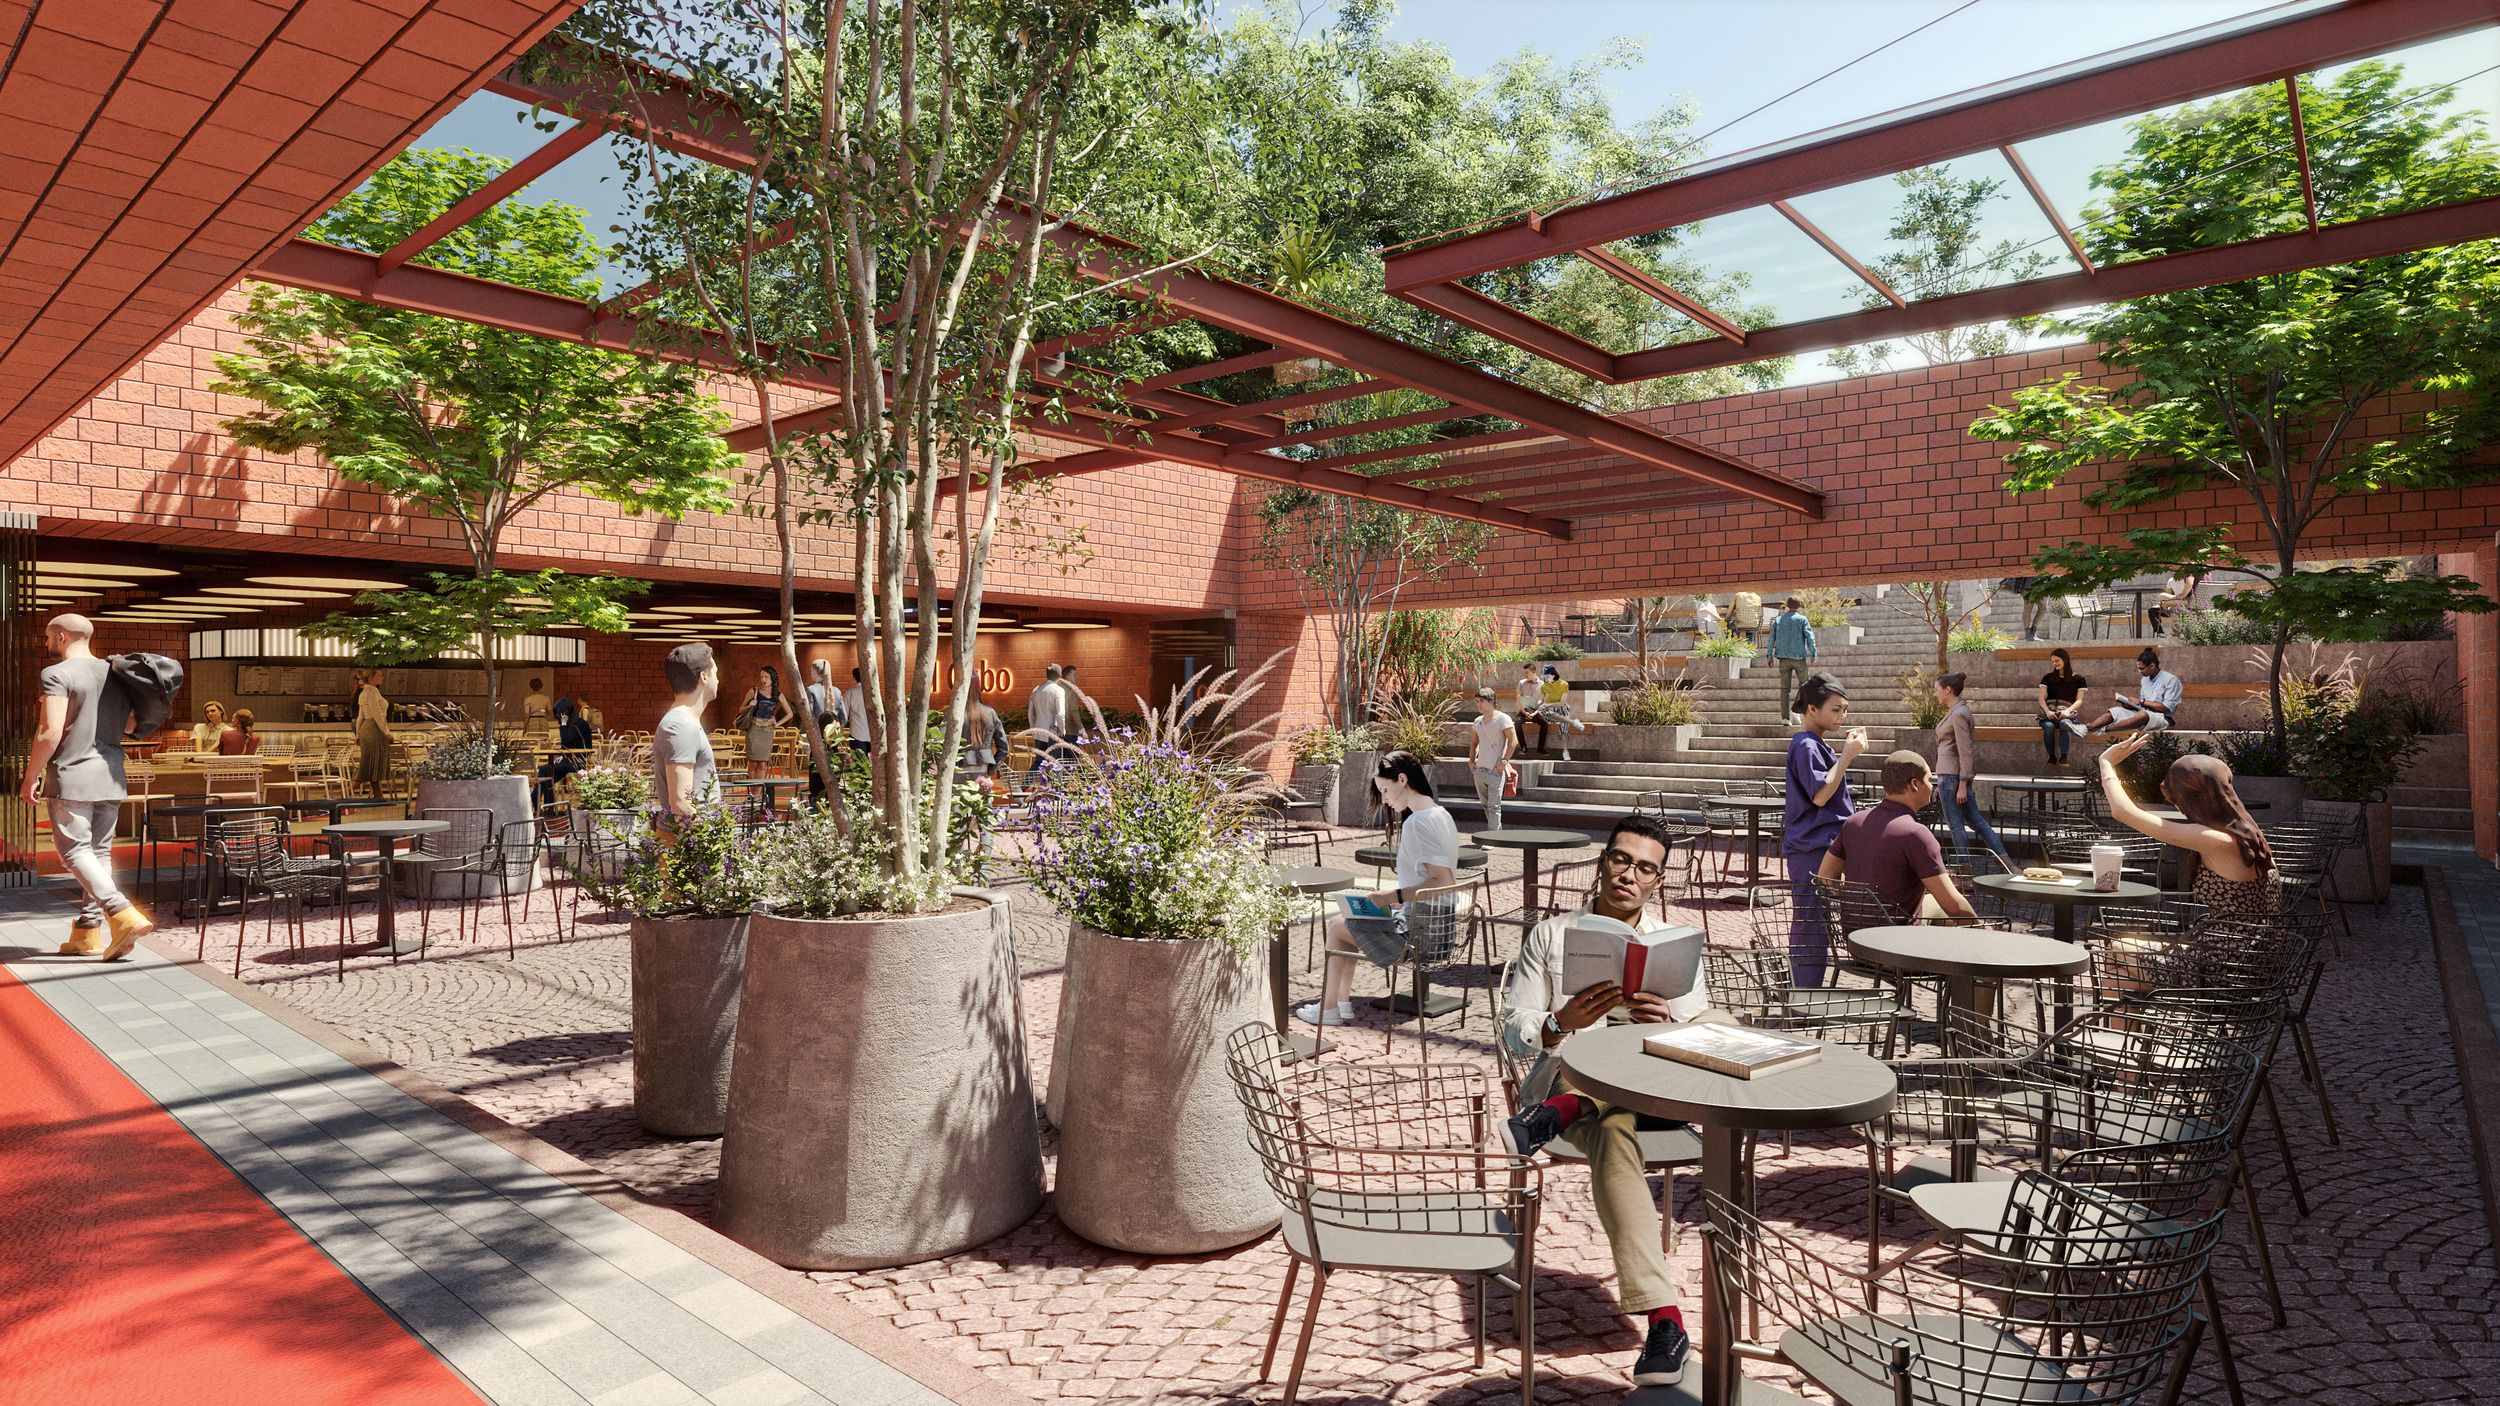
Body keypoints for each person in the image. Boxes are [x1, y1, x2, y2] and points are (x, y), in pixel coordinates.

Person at [1492, 813, 1714, 1387]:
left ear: (1658, 881)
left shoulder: (1674, 941)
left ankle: (1552, 1118)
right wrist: (1557, 1022)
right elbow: (1510, 1025)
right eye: (1621, 859)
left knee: (1615, 1101)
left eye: (1646, 868)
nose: (1629, 875)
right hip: (1579, 1078)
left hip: (1655, 1089)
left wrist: (1668, 1020)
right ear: (1602, 860)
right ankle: (1666, 1319)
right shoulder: (1550, 934)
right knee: (1613, 1128)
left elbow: (1707, 1027)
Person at [1296, 752, 1465, 1025]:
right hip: (1438, 930)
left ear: (1402, 779)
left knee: (1338, 927)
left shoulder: (1417, 822)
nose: (1385, 799)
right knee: (1346, 921)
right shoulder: (1441, 814)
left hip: (1419, 940)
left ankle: (1329, 1009)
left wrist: (1392, 896)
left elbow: (1443, 881)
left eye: (1385, 790)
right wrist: (1403, 900)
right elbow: (1438, 882)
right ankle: (1340, 1003)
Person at [21, 614, 151, 959]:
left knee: (74, 853)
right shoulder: (117, 674)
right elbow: (130, 724)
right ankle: (87, 932)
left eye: (48, 637)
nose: (46, 644)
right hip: (110, 775)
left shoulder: (56, 674)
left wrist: (31, 773)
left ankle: (121, 913)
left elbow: (50, 732)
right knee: (99, 853)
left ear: (61, 636)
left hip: (72, 776)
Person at [2099, 732, 2280, 921]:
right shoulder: (2250, 835)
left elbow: (2123, 812)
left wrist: (2106, 763)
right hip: (2259, 944)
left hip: (2228, 946)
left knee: (2119, 945)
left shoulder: (2215, 839)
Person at [1819, 751, 1976, 922]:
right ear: (1915, 784)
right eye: (1929, 780)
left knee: (1932, 902)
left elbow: (1825, 875)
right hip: (1897, 940)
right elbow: (1954, 907)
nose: (1932, 787)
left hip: (1855, 935)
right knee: (1953, 909)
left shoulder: (1853, 822)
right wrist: (1986, 932)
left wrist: (1862, 901)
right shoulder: (1916, 834)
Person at [1783, 674, 1866, 987]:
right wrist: (1847, 755)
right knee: (1810, 922)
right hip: (1812, 846)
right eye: (1835, 709)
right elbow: (1820, 794)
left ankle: (1806, 994)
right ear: (1811, 709)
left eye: (1844, 709)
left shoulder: (1814, 744)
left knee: (1814, 921)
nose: (1841, 716)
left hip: (1821, 844)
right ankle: (1804, 997)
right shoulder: (1805, 745)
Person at [1931, 672, 2007, 859]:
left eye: (1936, 690)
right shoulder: (1956, 712)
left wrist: (1963, 784)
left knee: (1956, 825)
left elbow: (1965, 750)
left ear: (1947, 690)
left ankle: (1964, 871)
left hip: (1953, 778)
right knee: (1975, 821)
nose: (1935, 694)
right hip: (1949, 777)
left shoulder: (1958, 714)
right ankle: (2008, 864)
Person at [654, 643, 721, 835]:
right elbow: (681, 805)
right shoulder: (681, 726)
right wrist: (710, 845)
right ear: (704, 676)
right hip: (684, 849)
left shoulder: (683, 722)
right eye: (715, 672)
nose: (718, 679)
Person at [2068, 648, 2180, 737]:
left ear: (2152, 666)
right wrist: (2131, 705)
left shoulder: (2171, 680)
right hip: (2143, 712)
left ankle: (2104, 730)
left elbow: (2167, 708)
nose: (2139, 671)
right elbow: (2143, 704)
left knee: (2143, 715)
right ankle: (2086, 728)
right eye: (2138, 668)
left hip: (2161, 717)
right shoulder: (2145, 680)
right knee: (2115, 711)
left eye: (2142, 668)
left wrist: (2141, 701)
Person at [1466, 687, 1517, 832]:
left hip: (1496, 769)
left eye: (1481, 701)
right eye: (1476, 701)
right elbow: (1474, 742)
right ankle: (1497, 833)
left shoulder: (1503, 719)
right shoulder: (1477, 721)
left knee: (1494, 806)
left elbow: (1513, 741)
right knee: (1485, 805)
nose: (1478, 704)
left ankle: (1492, 837)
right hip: (1479, 769)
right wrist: (1470, 761)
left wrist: (1504, 762)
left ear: (1492, 701)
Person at [1767, 596, 1818, 726]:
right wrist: (1813, 654)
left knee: (1784, 688)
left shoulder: (1778, 620)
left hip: (1783, 658)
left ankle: (1785, 718)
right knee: (1805, 685)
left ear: (1788, 606)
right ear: (1799, 606)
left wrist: (1769, 656)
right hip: (1799, 658)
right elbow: (1810, 638)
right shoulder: (1802, 619)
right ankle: (1795, 710)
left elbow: (1771, 639)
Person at [534, 697, 595, 806]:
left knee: (544, 770)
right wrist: (562, 756)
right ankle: (548, 808)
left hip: (579, 762)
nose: (557, 717)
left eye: (558, 714)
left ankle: (534, 799)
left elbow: (566, 740)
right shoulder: (573, 723)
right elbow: (566, 746)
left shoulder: (579, 724)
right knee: (549, 777)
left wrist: (563, 724)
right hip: (569, 761)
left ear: (564, 714)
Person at [2036, 647, 2089, 766]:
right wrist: (2048, 712)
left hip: (2068, 715)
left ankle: (2064, 757)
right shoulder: (2047, 678)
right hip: (2049, 715)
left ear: (2065, 660)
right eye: (2052, 661)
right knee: (2048, 727)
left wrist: (2067, 711)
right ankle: (2052, 757)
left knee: (2065, 723)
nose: (2054, 664)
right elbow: (2041, 698)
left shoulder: (2079, 679)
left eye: (2057, 661)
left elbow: (2079, 700)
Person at [353, 667, 395, 795]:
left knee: (370, 762)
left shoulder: (363, 692)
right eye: (379, 675)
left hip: (366, 729)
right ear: (371, 677)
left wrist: (358, 734)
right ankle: (352, 787)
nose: (382, 678)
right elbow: (377, 714)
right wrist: (386, 732)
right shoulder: (373, 691)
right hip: (374, 729)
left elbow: (360, 716)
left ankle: (378, 795)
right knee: (371, 762)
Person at [740, 666, 788, 776]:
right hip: (754, 729)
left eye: (766, 677)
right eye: (761, 677)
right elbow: (741, 709)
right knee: (753, 763)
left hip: (767, 730)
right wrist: (749, 706)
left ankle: (759, 793)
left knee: (763, 764)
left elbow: (789, 713)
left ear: (772, 678)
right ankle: (752, 792)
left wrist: (777, 723)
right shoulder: (754, 691)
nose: (763, 679)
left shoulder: (778, 694)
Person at [1028, 663, 1069, 765]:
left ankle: (1026, 781)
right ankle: (1057, 781)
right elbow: (1060, 714)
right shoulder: (1059, 690)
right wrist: (1062, 730)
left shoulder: (1036, 690)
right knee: (1056, 763)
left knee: (1039, 762)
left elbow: (1030, 713)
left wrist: (1033, 729)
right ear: (1059, 676)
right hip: (1053, 732)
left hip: (1039, 731)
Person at [2146, 570, 2202, 637]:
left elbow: (2189, 589)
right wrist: (2165, 603)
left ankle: (2177, 634)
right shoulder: (2171, 580)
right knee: (2152, 611)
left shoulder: (2190, 579)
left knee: (2162, 596)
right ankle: (2160, 633)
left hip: (2184, 606)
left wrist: (2181, 596)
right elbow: (2168, 595)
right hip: (2175, 605)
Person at [842, 667, 874, 755]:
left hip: (857, 733)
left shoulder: (850, 693)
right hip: (873, 734)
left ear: (854, 677)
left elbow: (844, 714)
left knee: (859, 764)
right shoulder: (873, 692)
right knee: (874, 764)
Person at [2002, 576, 2045, 641]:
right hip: (2028, 581)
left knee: (2043, 607)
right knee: (2028, 607)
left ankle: (2033, 632)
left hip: (2044, 581)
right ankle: (2028, 633)